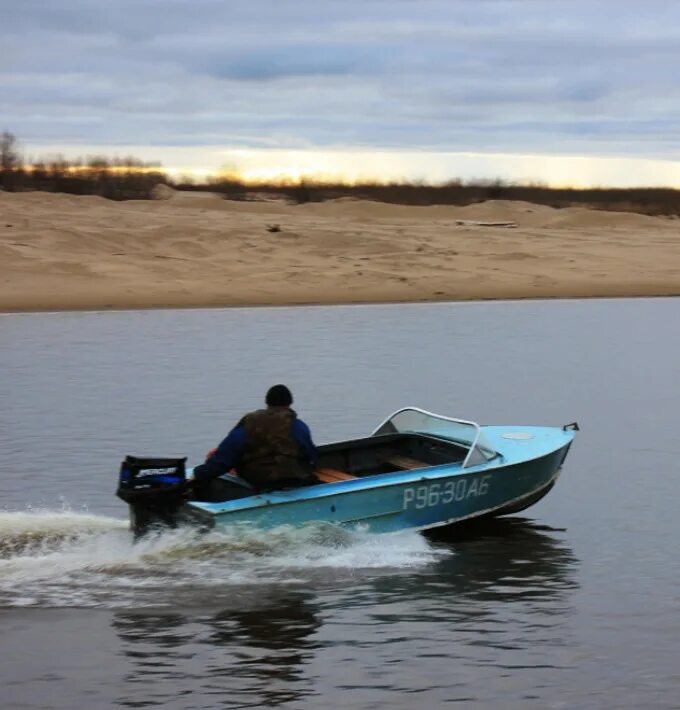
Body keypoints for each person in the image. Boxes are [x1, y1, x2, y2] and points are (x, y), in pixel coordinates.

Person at [192, 384, 318, 495]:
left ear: (267, 403)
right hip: (294, 481)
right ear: (289, 404)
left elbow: (222, 460)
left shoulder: (249, 425)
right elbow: (312, 457)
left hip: (259, 483)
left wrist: (198, 474)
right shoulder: (298, 426)